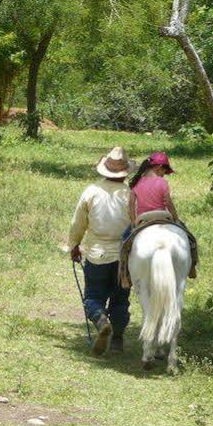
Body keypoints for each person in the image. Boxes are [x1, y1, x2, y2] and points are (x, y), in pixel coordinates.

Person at [68, 146, 133, 355]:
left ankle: (101, 320)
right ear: (125, 172)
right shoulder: (130, 194)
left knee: (93, 296)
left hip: (97, 254)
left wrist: (74, 245)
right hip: (124, 258)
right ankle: (117, 340)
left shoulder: (91, 192)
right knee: (120, 299)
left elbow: (78, 223)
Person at [119, 151, 198, 287]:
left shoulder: (137, 183)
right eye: (164, 171)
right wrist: (176, 218)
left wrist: (133, 223)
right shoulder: (162, 182)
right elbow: (168, 203)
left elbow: (130, 206)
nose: (164, 174)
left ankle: (125, 275)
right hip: (163, 216)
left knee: (124, 242)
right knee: (190, 239)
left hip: (143, 219)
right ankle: (191, 268)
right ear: (159, 167)